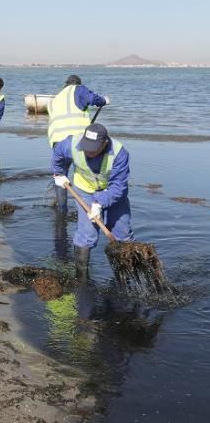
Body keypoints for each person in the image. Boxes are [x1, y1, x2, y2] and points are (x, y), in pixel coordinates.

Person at [52, 123, 133, 277]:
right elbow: (57, 154)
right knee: (86, 233)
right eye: (86, 146)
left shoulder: (119, 153)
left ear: (105, 143)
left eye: (93, 148)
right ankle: (81, 278)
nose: (88, 151)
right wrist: (58, 173)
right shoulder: (71, 144)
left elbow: (118, 186)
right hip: (85, 191)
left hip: (112, 192)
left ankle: (125, 275)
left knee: (122, 233)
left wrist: (100, 202)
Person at [48, 75, 110, 211]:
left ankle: (61, 209)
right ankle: (93, 207)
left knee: (60, 179)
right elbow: (93, 99)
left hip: (57, 143)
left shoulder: (56, 98)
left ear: (65, 84)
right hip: (77, 143)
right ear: (77, 83)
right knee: (88, 174)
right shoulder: (78, 89)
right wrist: (104, 101)